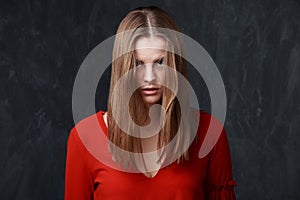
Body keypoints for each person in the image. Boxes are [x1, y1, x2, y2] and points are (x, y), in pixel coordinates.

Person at [65, 6, 237, 200]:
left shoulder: (209, 132)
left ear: (175, 64)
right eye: (138, 64)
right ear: (123, 67)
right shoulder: (85, 137)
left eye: (160, 62)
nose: (149, 77)